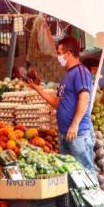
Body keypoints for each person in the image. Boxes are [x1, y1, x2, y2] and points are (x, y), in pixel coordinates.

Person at [28, 37, 96, 175]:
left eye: (59, 53)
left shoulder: (81, 72)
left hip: (78, 133)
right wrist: (37, 89)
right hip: (65, 134)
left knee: (85, 173)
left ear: (69, 53)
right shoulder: (66, 76)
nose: (58, 57)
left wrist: (75, 124)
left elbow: (84, 98)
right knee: (70, 175)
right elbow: (57, 103)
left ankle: (92, 196)